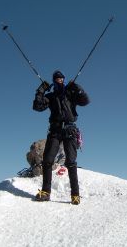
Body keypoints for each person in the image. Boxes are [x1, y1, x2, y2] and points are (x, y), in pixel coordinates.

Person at [32, 70, 90, 205]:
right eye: (57, 78)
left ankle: (75, 195)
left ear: (64, 79)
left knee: (71, 161)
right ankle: (46, 193)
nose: (59, 79)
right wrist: (41, 90)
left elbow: (86, 101)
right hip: (55, 130)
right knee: (47, 160)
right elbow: (37, 106)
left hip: (70, 130)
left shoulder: (70, 94)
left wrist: (77, 87)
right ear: (53, 80)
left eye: (61, 78)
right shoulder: (51, 96)